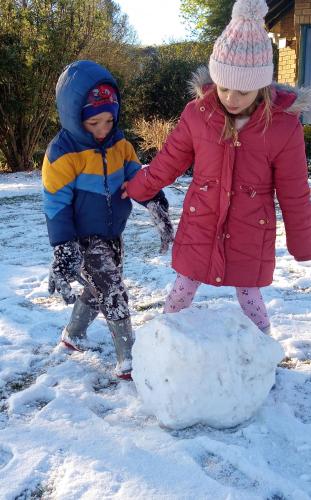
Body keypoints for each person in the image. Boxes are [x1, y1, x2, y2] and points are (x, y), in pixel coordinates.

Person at [122, 0, 311, 335]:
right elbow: (169, 160)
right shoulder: (198, 114)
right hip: (202, 223)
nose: (231, 98)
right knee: (181, 292)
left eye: (243, 90)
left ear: (262, 85)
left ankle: (262, 353)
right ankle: (164, 343)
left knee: (250, 297)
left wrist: (304, 241)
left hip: (250, 230)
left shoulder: (283, 127)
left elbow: (294, 192)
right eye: (224, 87)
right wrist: (140, 186)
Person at [42, 60, 174, 380]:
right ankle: (129, 359)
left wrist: (156, 203)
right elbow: (56, 205)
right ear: (75, 118)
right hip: (83, 239)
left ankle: (73, 334)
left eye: (108, 120)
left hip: (112, 234)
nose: (103, 129)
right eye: (94, 123)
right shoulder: (62, 154)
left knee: (97, 290)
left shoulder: (120, 144)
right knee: (112, 289)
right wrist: (64, 248)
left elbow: (135, 179)